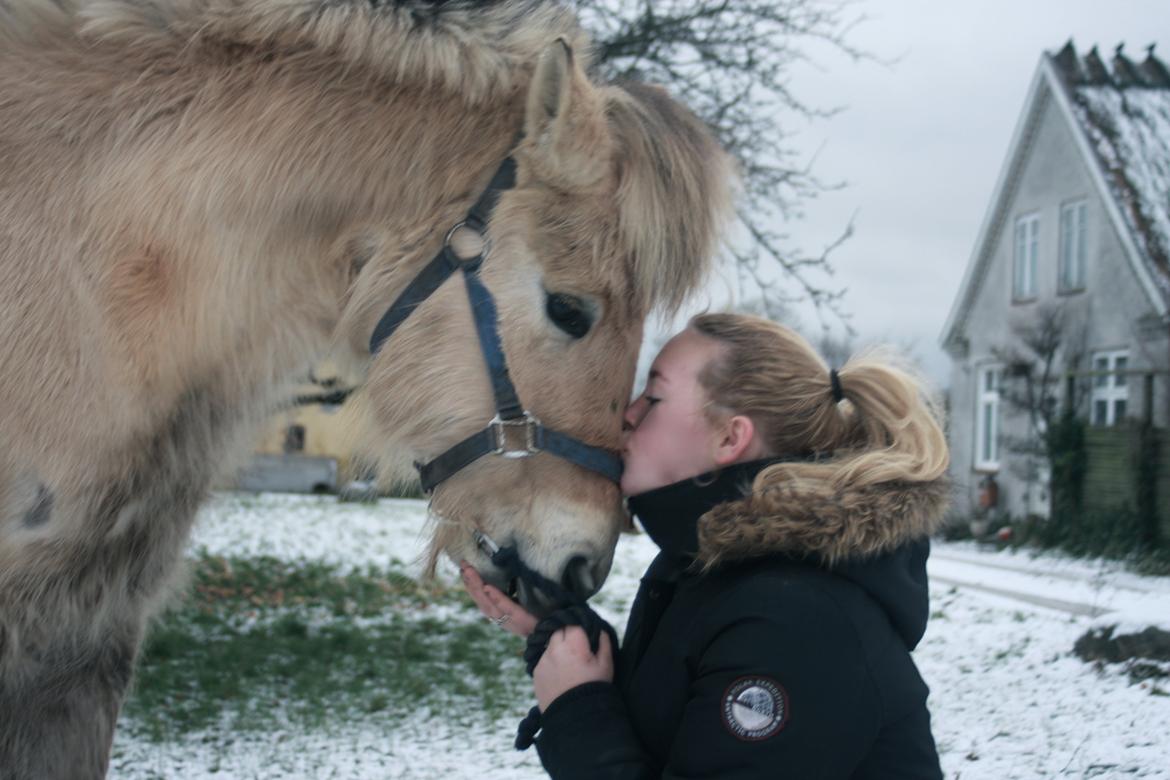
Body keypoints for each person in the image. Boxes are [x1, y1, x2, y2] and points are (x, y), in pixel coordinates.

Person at [461, 312, 950, 779]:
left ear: (730, 438)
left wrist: (579, 709)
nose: (626, 416)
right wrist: (565, 642)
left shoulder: (797, 618)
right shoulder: (704, 569)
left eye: (652, 396)